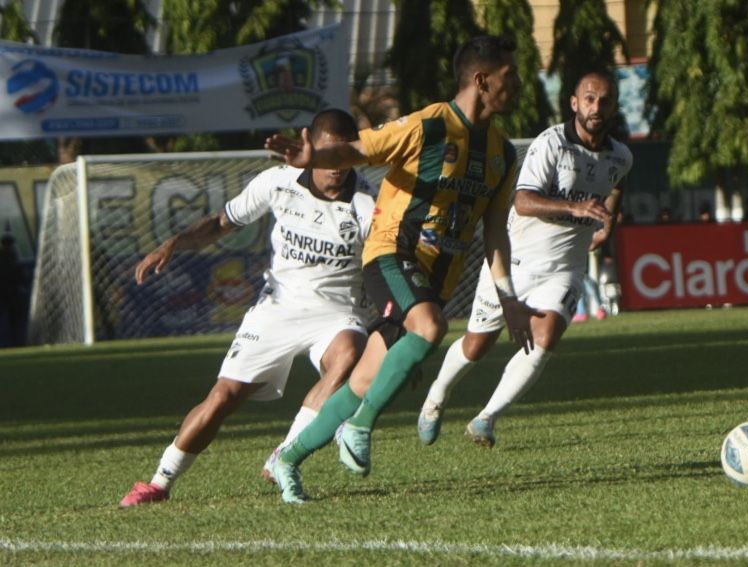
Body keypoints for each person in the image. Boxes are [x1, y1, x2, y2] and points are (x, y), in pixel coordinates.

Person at [264, 35, 539, 503]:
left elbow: (496, 231)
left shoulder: (504, 152)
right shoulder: (428, 125)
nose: (517, 85)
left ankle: (289, 459)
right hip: (391, 253)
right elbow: (357, 150)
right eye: (509, 77)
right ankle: (360, 427)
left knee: (364, 380)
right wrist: (314, 158)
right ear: (481, 79)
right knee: (431, 326)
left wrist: (509, 300)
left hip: (433, 279)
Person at [119, 109, 378, 507]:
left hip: (339, 311)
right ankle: (159, 481)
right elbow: (223, 223)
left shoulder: (366, 204)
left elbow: (385, 263)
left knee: (348, 355)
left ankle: (285, 454)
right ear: (310, 143)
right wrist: (175, 242)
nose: (336, 167)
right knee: (223, 397)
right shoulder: (277, 182)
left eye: (345, 156)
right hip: (277, 307)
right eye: (329, 154)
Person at [417, 68, 633, 449]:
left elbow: (615, 184)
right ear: (574, 103)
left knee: (546, 336)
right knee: (476, 347)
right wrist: (576, 207)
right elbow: (523, 200)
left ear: (614, 106)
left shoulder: (621, 156)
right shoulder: (551, 144)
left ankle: (486, 419)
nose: (597, 106)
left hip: (565, 268)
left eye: (605, 100)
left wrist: (608, 222)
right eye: (589, 98)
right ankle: (437, 396)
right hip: (514, 262)